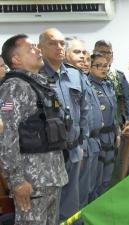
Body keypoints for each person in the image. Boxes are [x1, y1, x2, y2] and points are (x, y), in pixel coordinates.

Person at [0, 34, 68, 225]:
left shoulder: (39, 83)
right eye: (31, 48)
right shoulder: (14, 87)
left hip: (51, 176)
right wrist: (17, 180)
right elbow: (7, 137)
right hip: (32, 181)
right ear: (16, 59)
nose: (38, 50)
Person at [38, 28, 89, 223]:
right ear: (41, 48)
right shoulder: (34, 75)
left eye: (61, 43)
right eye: (53, 43)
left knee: (71, 203)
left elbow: (84, 110)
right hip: (48, 154)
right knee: (51, 204)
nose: (59, 47)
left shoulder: (75, 76)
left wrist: (82, 143)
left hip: (74, 149)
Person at [64, 37, 103, 208]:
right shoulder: (66, 78)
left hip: (90, 141)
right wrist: (80, 143)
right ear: (65, 54)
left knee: (88, 189)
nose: (83, 59)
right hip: (76, 144)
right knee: (74, 194)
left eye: (86, 55)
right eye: (77, 53)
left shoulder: (81, 77)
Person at [93, 40, 129, 183]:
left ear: (112, 55)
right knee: (95, 173)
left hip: (115, 127)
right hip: (94, 131)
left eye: (108, 52)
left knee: (113, 167)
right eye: (101, 52)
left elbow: (128, 99)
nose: (105, 55)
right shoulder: (86, 76)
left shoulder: (118, 76)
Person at [88, 53, 119, 196]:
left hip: (111, 135)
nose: (103, 68)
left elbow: (114, 110)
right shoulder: (87, 85)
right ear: (90, 66)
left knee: (107, 176)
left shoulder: (108, 84)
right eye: (98, 65)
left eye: (106, 65)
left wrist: (117, 132)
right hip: (96, 137)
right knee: (94, 178)